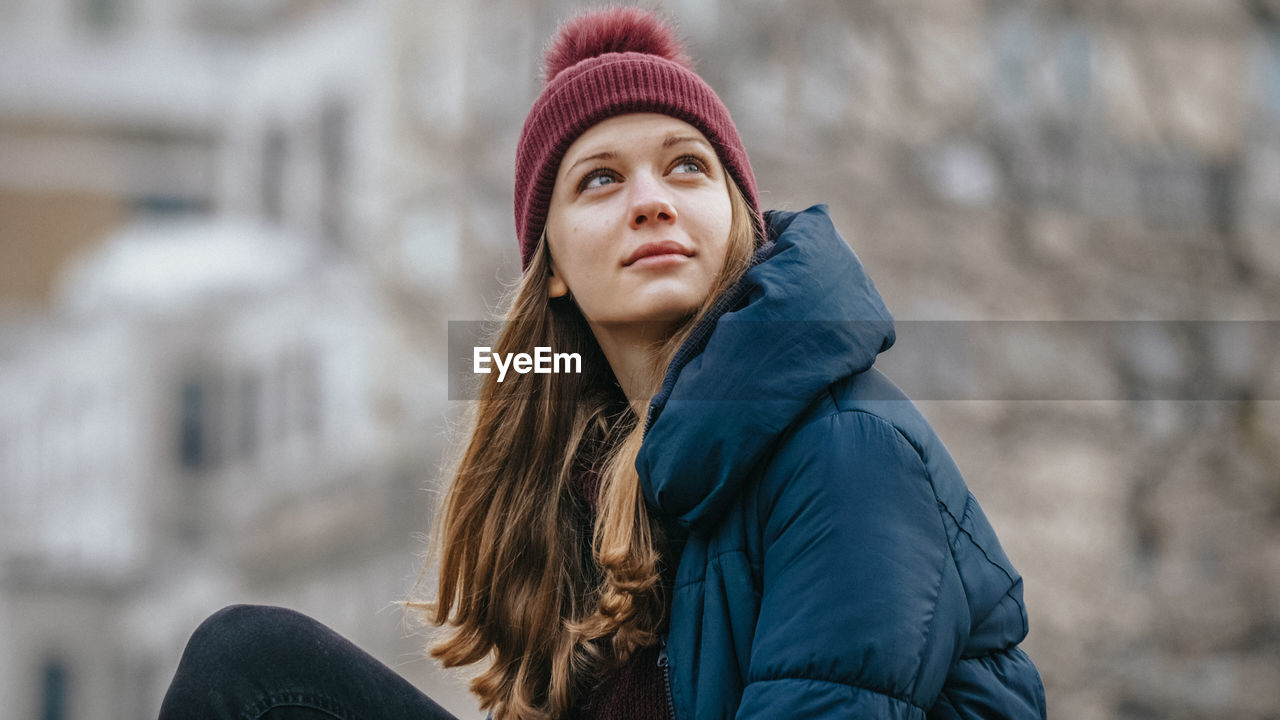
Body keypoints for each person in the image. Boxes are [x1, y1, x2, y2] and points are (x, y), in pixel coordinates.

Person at [159, 7, 1046, 720]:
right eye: (600, 180)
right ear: (550, 274)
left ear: (738, 220)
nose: (653, 201)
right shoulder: (588, 494)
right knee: (256, 671)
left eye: (687, 167)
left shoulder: (844, 449)